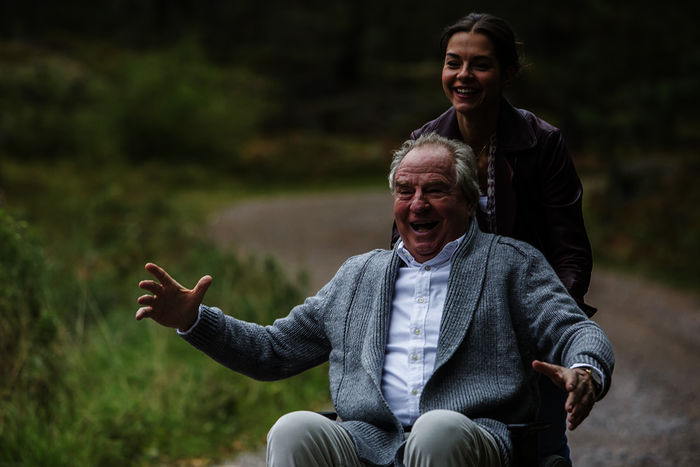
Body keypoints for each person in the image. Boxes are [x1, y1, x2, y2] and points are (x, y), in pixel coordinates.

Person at [136, 133, 614, 467]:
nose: (417, 204)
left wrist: (587, 369)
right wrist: (195, 320)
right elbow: (273, 350)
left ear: (469, 202)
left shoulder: (509, 264)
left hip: (469, 439)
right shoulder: (359, 275)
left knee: (436, 429)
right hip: (368, 440)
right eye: (405, 191)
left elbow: (576, 330)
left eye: (435, 190)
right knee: (293, 429)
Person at [403, 13, 597, 463]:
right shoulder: (424, 143)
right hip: (448, 322)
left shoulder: (541, 143)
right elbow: (406, 243)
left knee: (539, 448)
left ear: (508, 73)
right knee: (443, 437)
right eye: (453, 63)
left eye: (480, 65)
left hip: (527, 320)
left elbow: (570, 251)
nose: (463, 76)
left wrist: (545, 318)